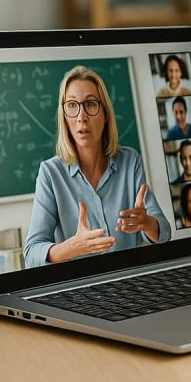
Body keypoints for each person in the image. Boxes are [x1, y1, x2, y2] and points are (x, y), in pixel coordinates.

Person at [24, 66, 171, 268]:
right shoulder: (50, 173)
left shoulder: (130, 161)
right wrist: (73, 247)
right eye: (72, 105)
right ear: (64, 117)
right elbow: (31, 254)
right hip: (78, 289)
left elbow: (164, 233)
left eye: (91, 104)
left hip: (130, 283)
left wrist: (146, 223)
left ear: (105, 114)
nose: (81, 117)